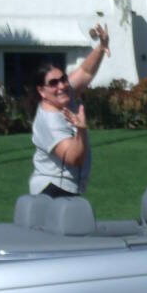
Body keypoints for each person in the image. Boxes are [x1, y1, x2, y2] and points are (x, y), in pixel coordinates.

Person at [29, 23, 111, 196]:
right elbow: (74, 158)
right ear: (41, 91)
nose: (61, 86)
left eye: (63, 79)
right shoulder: (50, 120)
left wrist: (101, 47)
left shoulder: (64, 95)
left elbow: (85, 71)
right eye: (53, 83)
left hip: (66, 188)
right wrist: (80, 130)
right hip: (52, 191)